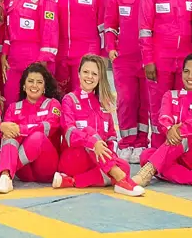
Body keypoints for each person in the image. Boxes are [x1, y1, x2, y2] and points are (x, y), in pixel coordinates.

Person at [56, 55, 145, 196]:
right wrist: (92, 143)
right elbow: (69, 133)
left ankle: (72, 181)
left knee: (125, 166)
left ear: (99, 78)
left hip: (98, 161)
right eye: (85, 72)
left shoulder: (104, 103)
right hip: (74, 158)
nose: (89, 77)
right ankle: (120, 179)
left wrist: (108, 153)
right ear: (78, 74)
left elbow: (111, 136)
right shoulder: (69, 100)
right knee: (90, 133)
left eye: (94, 74)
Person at [140, 0, 192, 152]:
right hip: (160, 58)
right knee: (158, 106)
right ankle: (157, 150)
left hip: (185, 60)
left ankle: (182, 150)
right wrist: (148, 60)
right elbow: (144, 29)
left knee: (184, 105)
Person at [134, 55, 192, 189]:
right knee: (146, 155)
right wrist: (169, 129)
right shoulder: (170, 95)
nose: (190, 76)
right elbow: (163, 119)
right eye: (186, 71)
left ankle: (146, 173)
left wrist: (180, 130)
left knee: (180, 139)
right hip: (175, 154)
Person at [103, 0, 150, 154]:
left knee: (145, 101)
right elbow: (110, 23)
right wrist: (111, 47)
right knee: (126, 99)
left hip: (148, 57)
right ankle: (126, 142)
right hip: (124, 58)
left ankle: (141, 142)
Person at [0, 62, 63, 193]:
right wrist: (1, 127)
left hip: (46, 168)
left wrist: (20, 129)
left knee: (37, 136)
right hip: (23, 173)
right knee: (9, 133)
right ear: (24, 86)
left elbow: (49, 128)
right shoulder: (13, 107)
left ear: (45, 87)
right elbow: (0, 132)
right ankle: (5, 177)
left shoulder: (53, 104)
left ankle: (1, 171)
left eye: (39, 82)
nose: (34, 85)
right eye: (30, 81)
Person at [2, 0, 60, 106]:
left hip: (34, 60)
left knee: (33, 107)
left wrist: (41, 66)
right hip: (13, 61)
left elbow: (50, 36)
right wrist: (4, 55)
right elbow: (8, 30)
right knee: (11, 105)